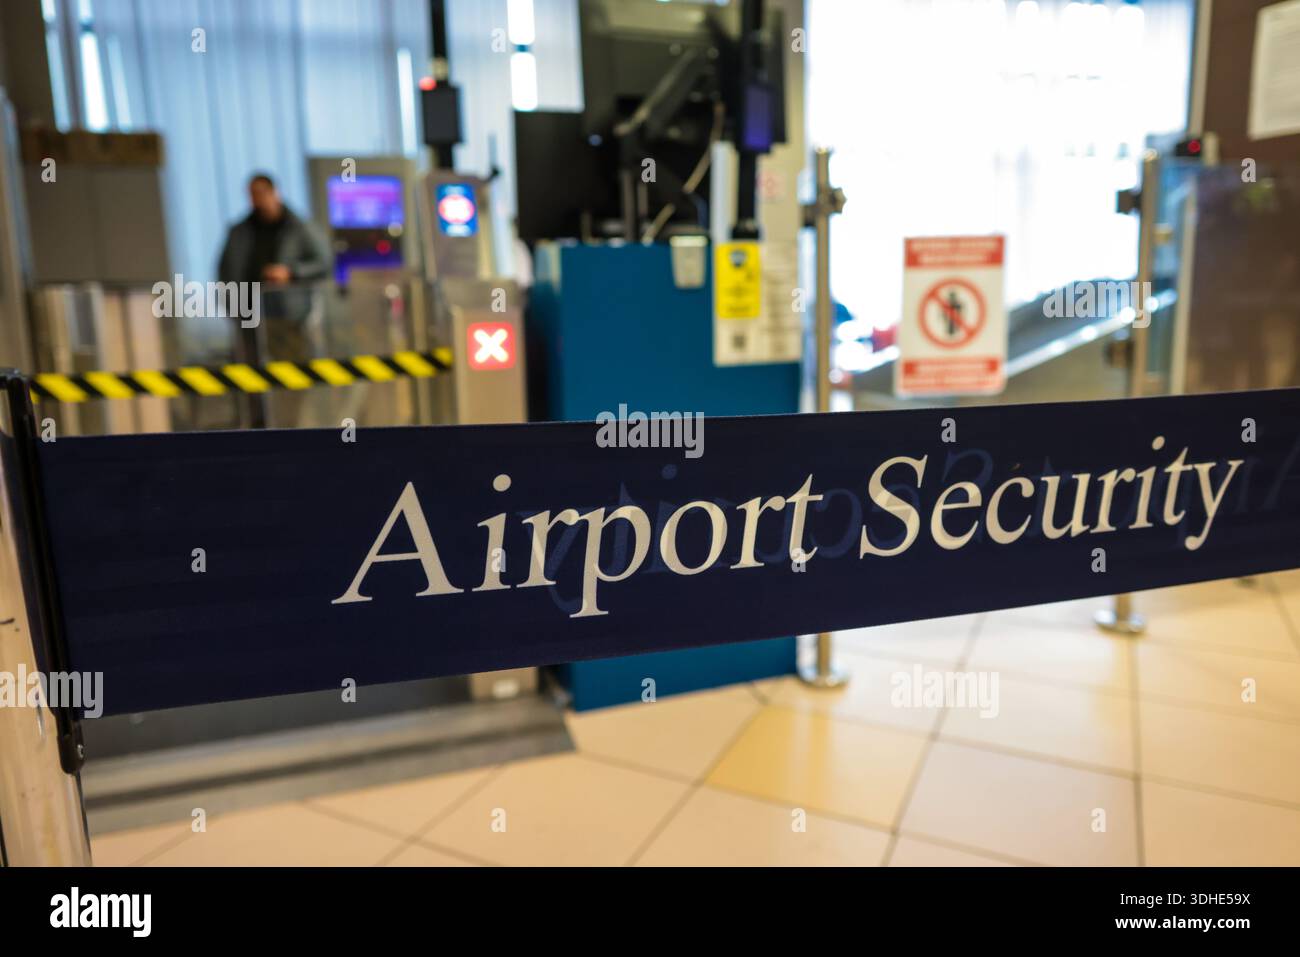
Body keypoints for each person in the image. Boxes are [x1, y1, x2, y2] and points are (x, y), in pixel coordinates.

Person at [218, 172, 330, 426]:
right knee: (252, 384)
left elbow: (324, 263)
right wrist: (232, 307)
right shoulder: (240, 231)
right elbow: (226, 272)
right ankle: (258, 431)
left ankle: (290, 429)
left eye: (261, 194)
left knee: (290, 384)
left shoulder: (299, 228)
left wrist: (291, 273)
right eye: (252, 195)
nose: (257, 200)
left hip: (288, 319)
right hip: (251, 319)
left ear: (273, 193)